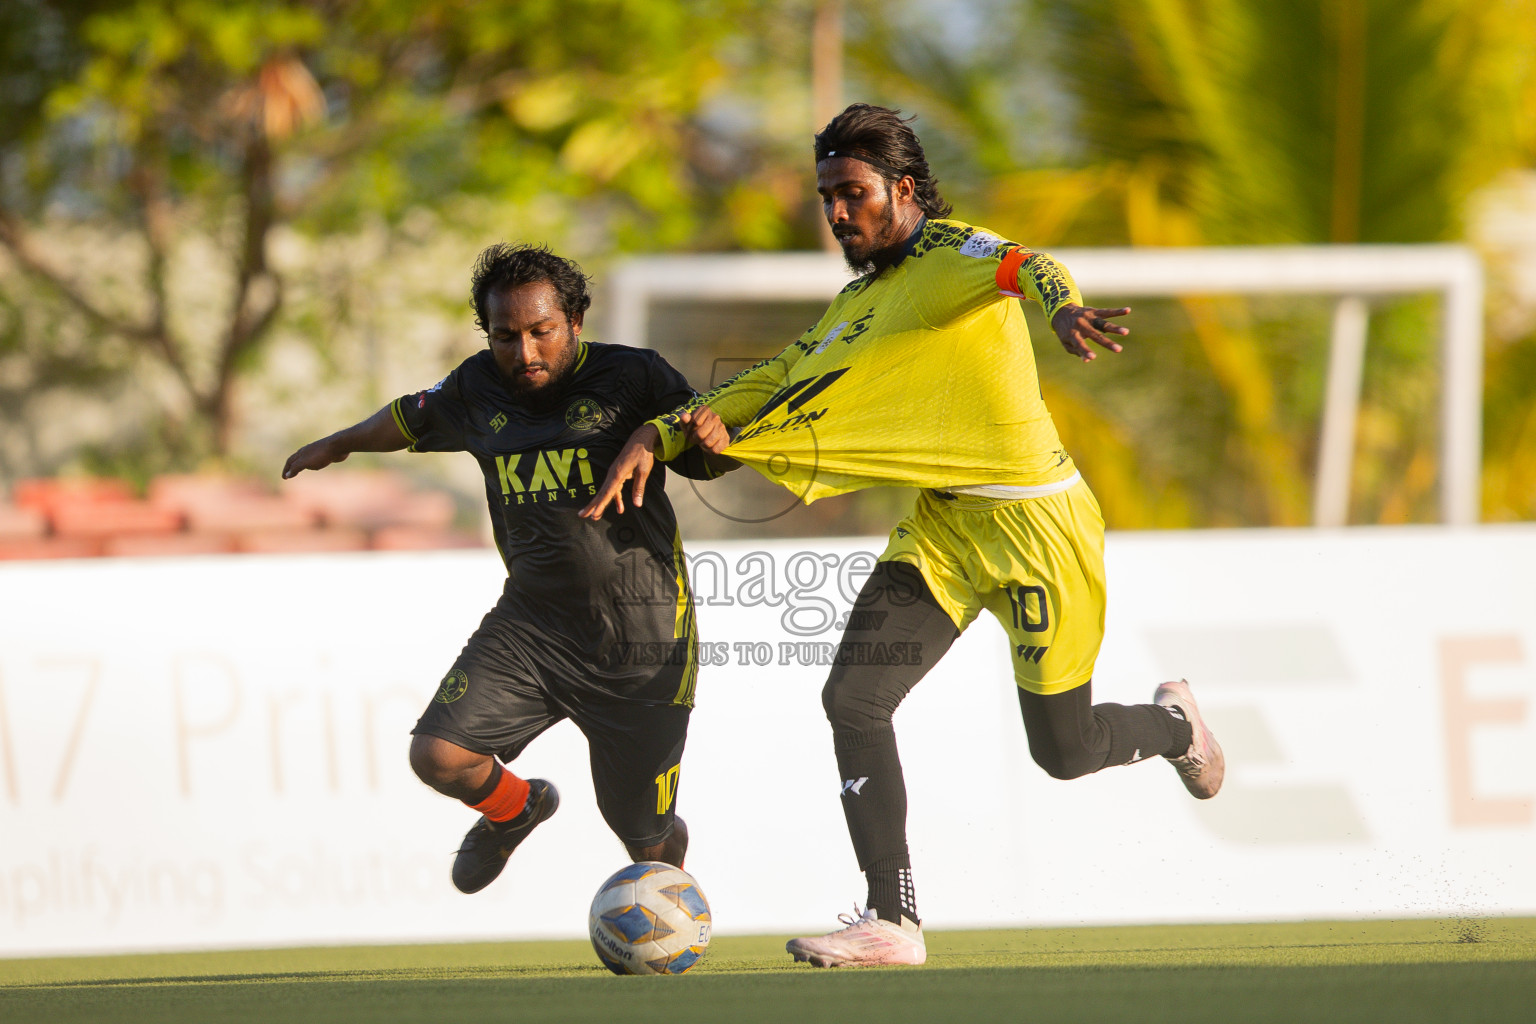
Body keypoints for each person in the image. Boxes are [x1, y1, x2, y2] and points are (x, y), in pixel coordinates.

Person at [581, 104, 1224, 967]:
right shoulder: (856, 302)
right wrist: (663, 433)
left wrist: (1064, 310)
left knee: (1065, 752)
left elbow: (1030, 264)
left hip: (1039, 528)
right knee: (852, 700)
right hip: (944, 530)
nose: (838, 212)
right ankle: (893, 919)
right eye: (827, 196)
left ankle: (1175, 726)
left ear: (904, 189)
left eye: (853, 192)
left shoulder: (952, 255)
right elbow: (775, 377)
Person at [283, 243, 731, 894]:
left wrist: (712, 438)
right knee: (439, 756)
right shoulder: (477, 386)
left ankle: (666, 885)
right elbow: (410, 417)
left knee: (640, 833)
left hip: (642, 636)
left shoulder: (635, 376)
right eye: (505, 336)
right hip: (532, 625)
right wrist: (339, 443)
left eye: (541, 331)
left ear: (575, 321)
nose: (524, 352)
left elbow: (705, 451)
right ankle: (516, 808)